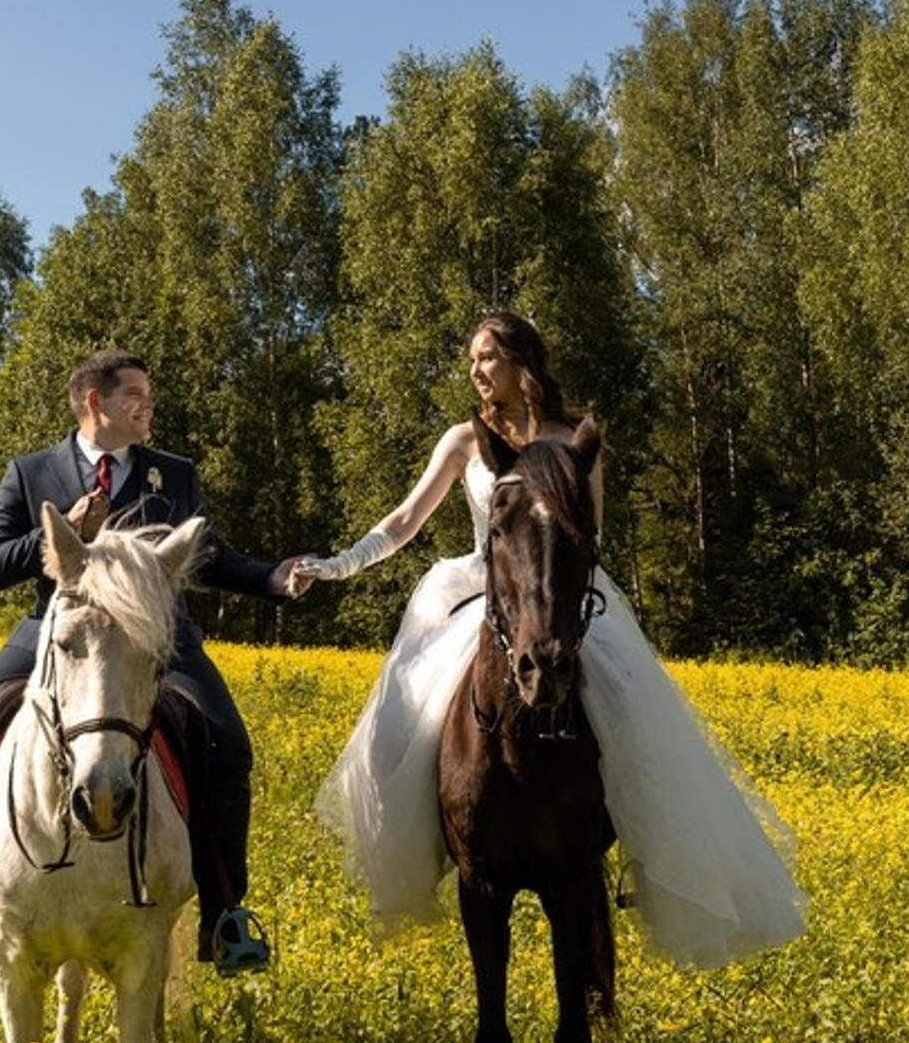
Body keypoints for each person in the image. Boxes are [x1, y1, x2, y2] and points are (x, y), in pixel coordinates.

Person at [291, 310, 807, 969]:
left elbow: (588, 537)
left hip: (557, 596)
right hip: (478, 595)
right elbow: (403, 523)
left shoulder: (572, 438)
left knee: (636, 721)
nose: (475, 371)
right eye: (472, 360)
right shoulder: (461, 441)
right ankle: (427, 842)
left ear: (519, 360)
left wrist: (554, 603)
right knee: (406, 714)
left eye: (486, 357)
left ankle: (633, 851)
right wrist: (335, 565)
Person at [0, 347, 300, 976]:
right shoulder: (30, 472)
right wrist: (59, 532)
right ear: (93, 402)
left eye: (150, 395)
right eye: (136, 394)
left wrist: (271, 578)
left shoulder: (172, 475)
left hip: (158, 638)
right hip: (56, 635)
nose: (149, 405)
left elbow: (205, 559)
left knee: (229, 744)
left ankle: (224, 915)